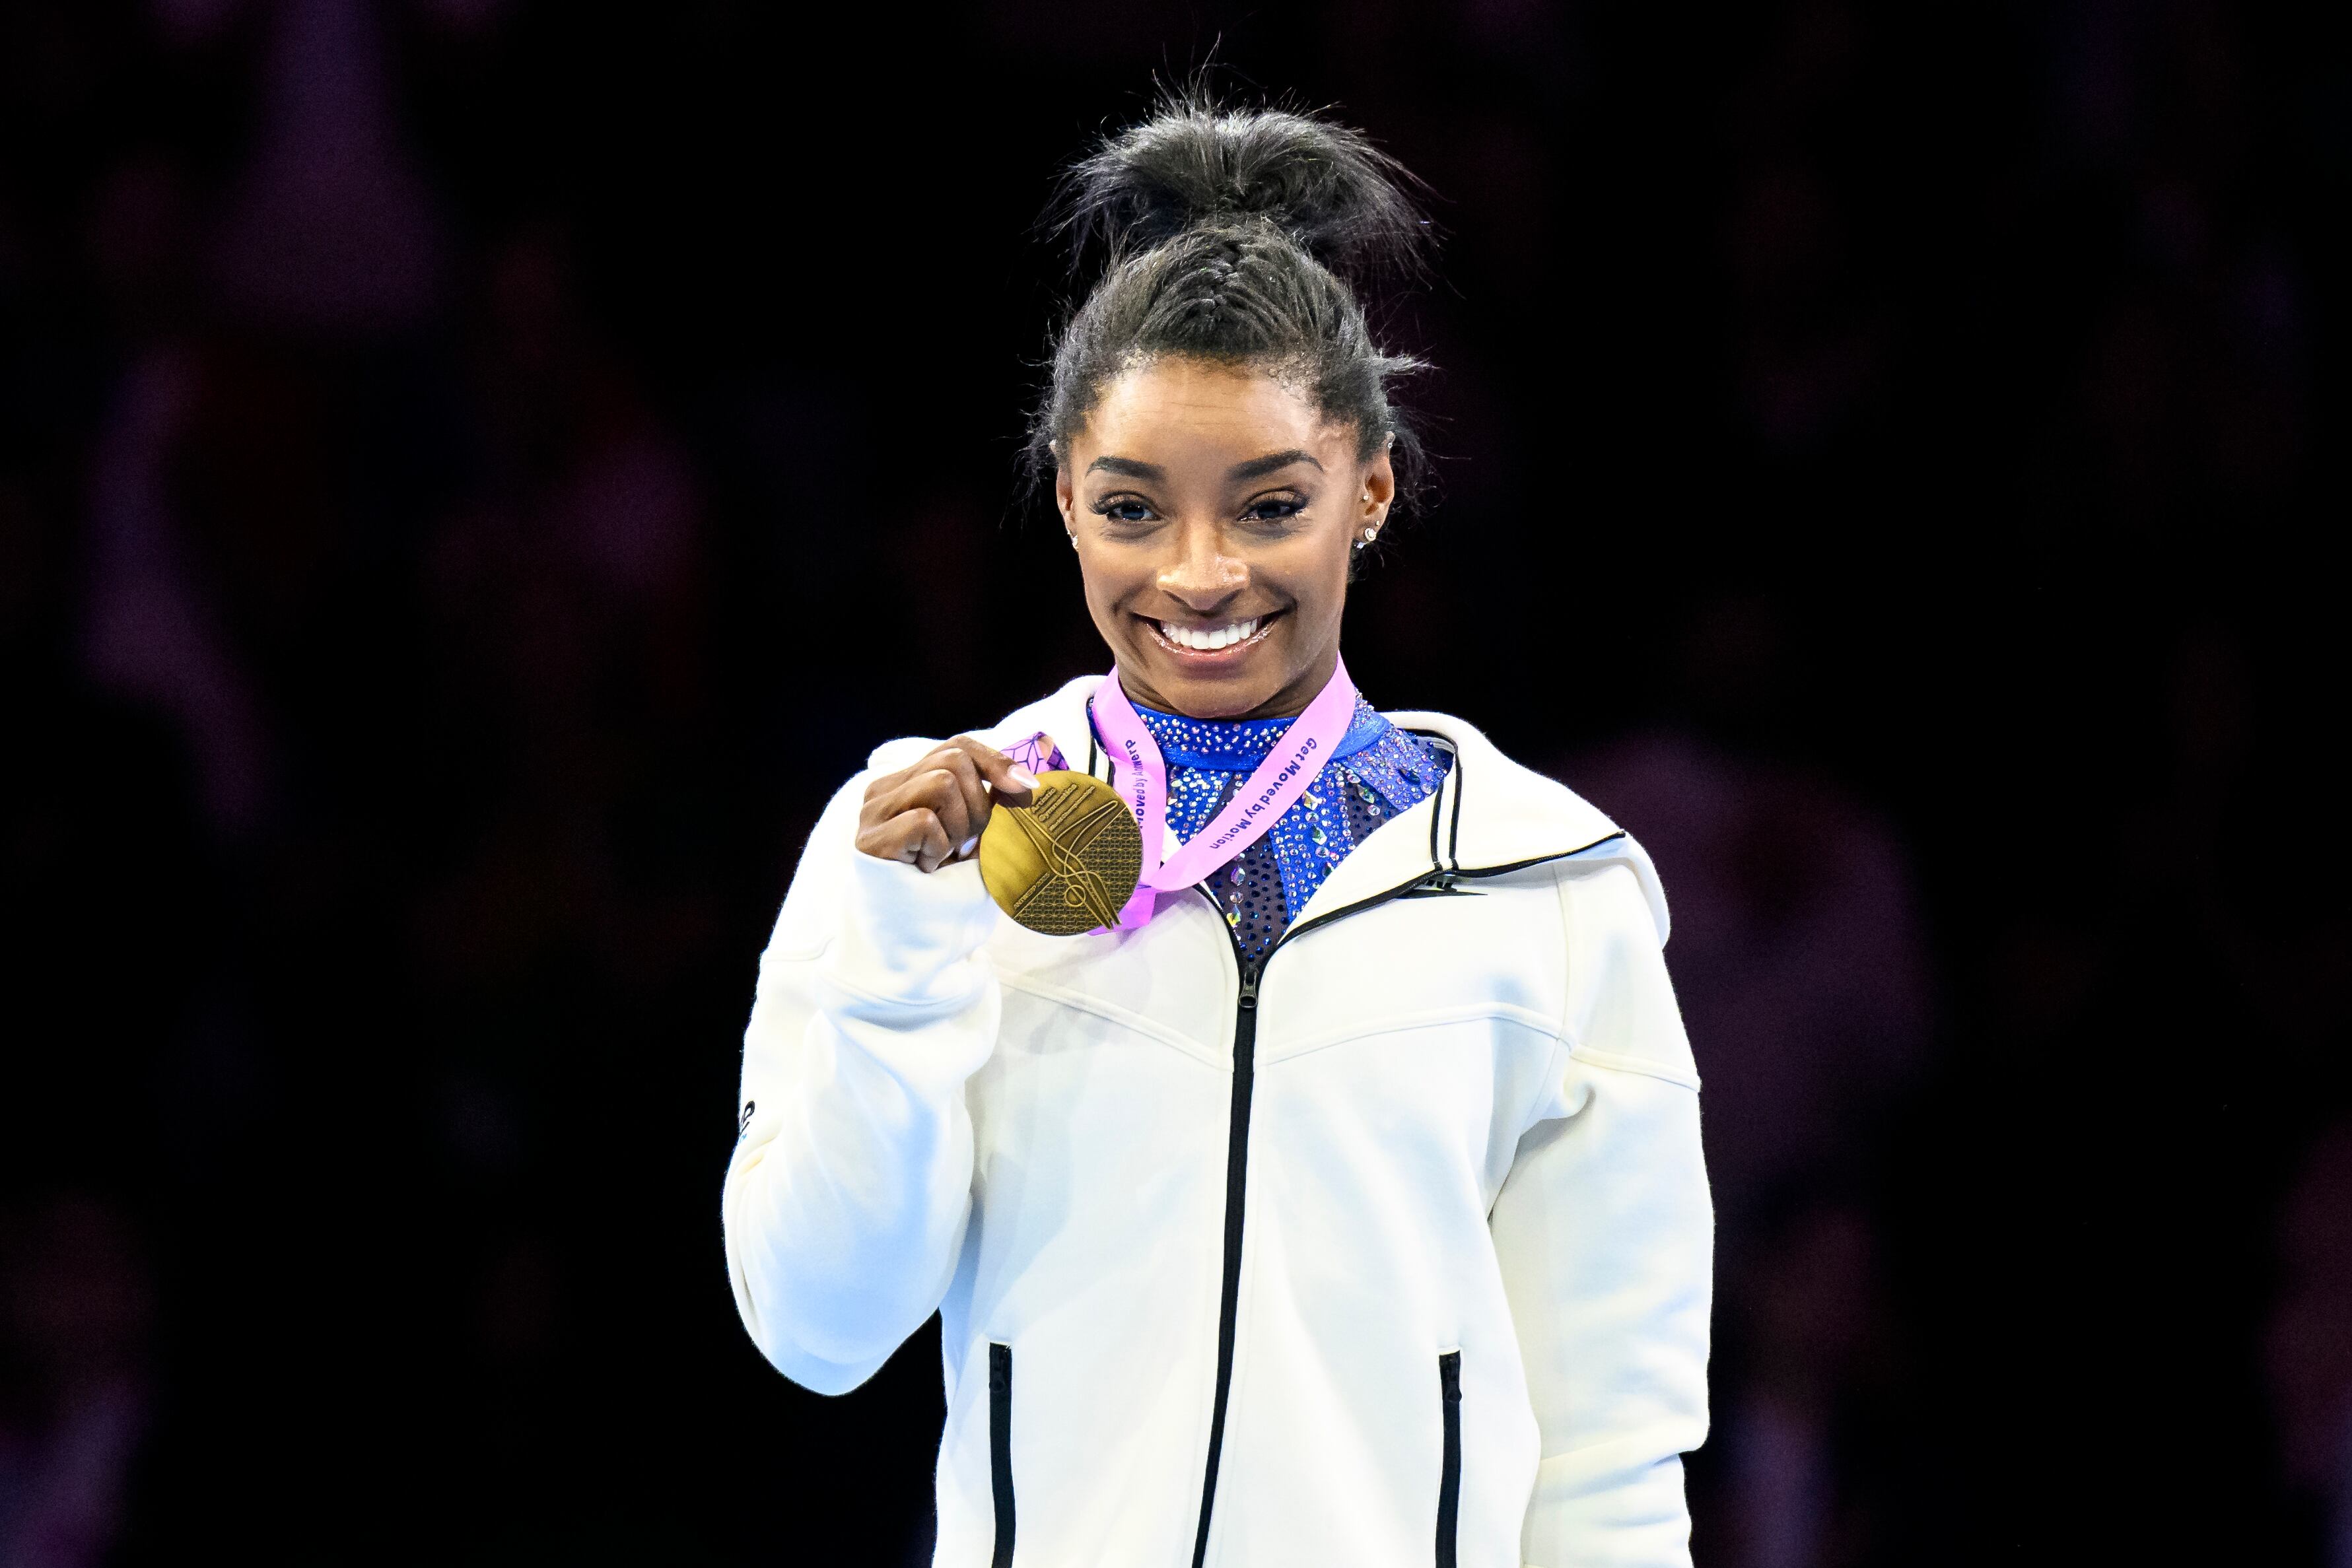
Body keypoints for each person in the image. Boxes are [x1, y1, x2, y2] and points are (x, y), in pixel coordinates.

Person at [722, 94, 1712, 1568]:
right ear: (1064, 495)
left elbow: (1611, 1463)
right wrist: (897, 957)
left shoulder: (1548, 891)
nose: (1197, 575)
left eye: (1267, 507)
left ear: (1367, 490)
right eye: (1132, 508)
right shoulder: (916, 852)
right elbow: (819, 1331)